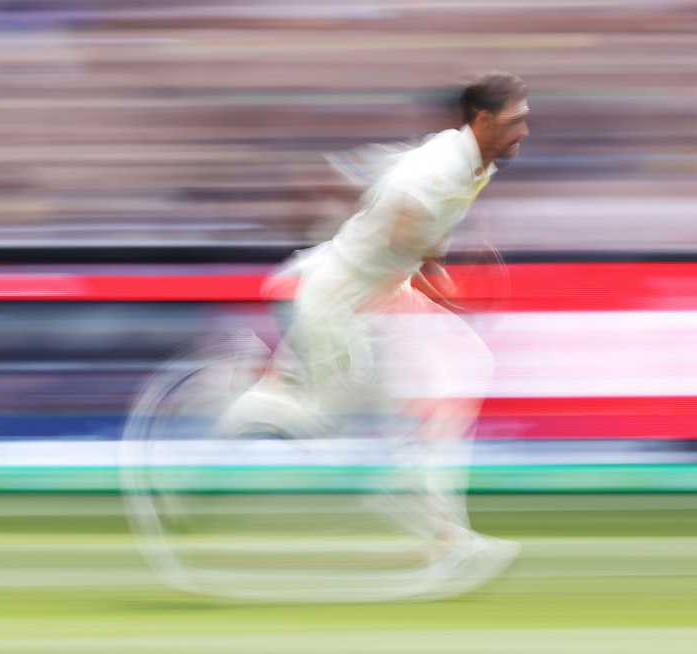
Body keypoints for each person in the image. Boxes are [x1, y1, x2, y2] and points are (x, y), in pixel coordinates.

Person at [218, 72, 530, 593]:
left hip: (380, 293)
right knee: (320, 418)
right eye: (515, 121)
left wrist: (435, 268)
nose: (524, 130)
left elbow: (419, 228)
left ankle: (443, 536)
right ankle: (238, 388)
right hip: (341, 301)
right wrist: (437, 279)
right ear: (481, 120)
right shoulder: (436, 170)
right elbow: (404, 217)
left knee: (464, 370)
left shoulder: (477, 162)